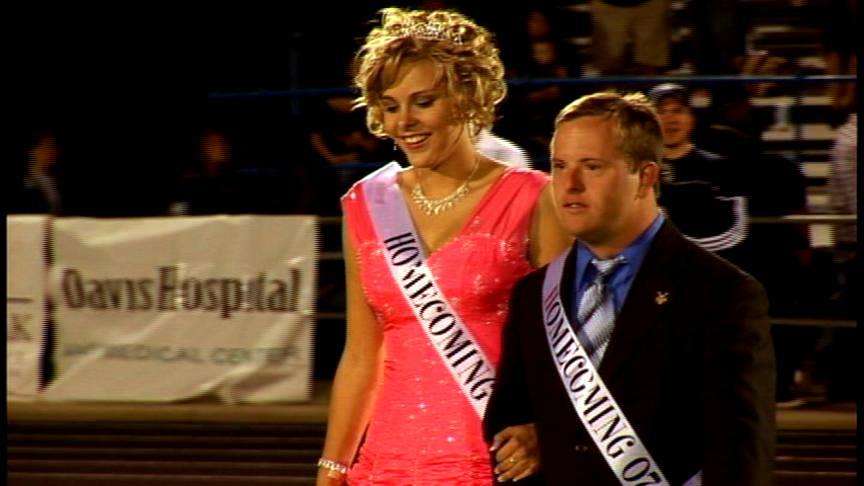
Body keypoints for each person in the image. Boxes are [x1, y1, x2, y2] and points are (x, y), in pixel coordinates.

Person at [317, 8, 571, 485]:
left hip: (496, 459)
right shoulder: (366, 205)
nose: (404, 121)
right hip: (388, 463)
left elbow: (566, 344)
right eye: (390, 106)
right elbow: (359, 355)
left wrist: (542, 426)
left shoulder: (534, 197)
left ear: (465, 97)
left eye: (423, 101)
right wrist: (332, 467)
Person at [485, 92, 775, 485]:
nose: (568, 185)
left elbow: (740, 457)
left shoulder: (722, 293)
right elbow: (508, 424)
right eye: (559, 166)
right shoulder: (533, 294)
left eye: (592, 167)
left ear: (647, 177)